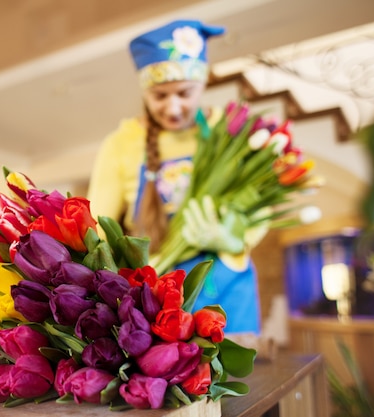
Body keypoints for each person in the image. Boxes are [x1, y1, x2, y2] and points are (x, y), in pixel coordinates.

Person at [87, 19, 262, 334]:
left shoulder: (230, 130)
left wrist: (232, 239)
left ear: (203, 83)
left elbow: (259, 208)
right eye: (160, 96)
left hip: (229, 278)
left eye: (184, 93)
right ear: (145, 92)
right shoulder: (121, 143)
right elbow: (97, 227)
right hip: (161, 288)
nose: (174, 106)